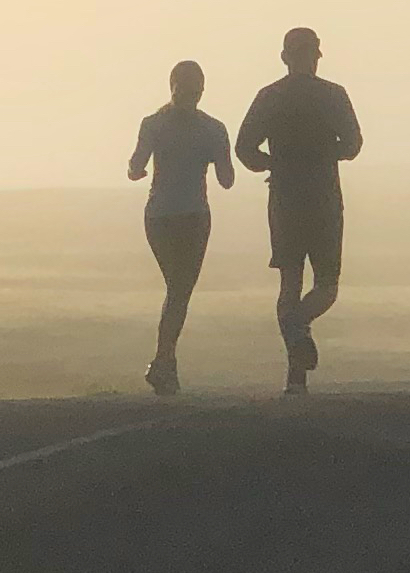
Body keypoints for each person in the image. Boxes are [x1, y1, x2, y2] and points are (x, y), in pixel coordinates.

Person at [235, 27, 363, 395]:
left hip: (285, 196)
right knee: (327, 285)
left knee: (289, 282)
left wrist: (273, 163)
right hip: (324, 196)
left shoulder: (270, 96)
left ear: (284, 57)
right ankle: (299, 326)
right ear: (316, 57)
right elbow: (353, 145)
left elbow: (244, 148)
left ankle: (295, 371)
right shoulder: (333, 95)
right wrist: (324, 154)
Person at [128, 60, 235, 395]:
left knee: (178, 289)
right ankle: (163, 362)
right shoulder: (213, 129)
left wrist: (140, 170)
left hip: (162, 215)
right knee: (179, 289)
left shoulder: (153, 124)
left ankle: (165, 364)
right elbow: (227, 179)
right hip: (190, 215)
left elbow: (134, 168)